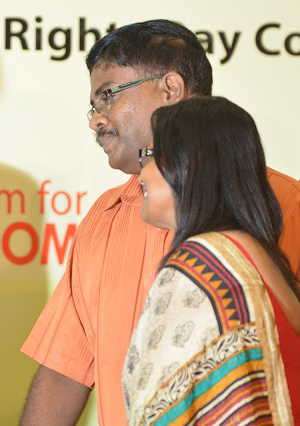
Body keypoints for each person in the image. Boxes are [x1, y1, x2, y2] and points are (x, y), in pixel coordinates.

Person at [19, 19, 300, 425]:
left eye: (107, 96)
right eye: (93, 106)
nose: (95, 120)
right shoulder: (104, 217)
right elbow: (65, 370)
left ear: (171, 89)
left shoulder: (288, 206)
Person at [124, 96, 300, 424]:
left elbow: (160, 411)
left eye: (150, 155)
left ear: (189, 164)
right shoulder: (258, 255)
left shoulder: (202, 262)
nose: (141, 172)